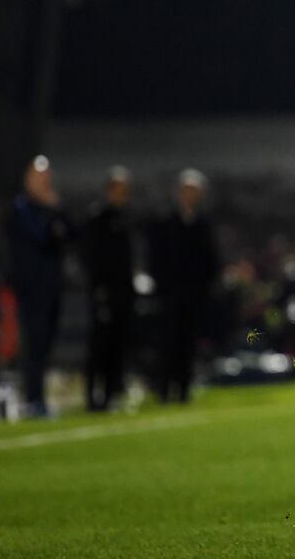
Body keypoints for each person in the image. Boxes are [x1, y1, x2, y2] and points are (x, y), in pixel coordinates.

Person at [3, 155, 74, 417]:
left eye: (47, 178)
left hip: (52, 286)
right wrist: (52, 214)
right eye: (39, 178)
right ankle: (33, 399)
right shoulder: (20, 209)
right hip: (30, 288)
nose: (45, 183)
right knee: (34, 344)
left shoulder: (52, 207)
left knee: (46, 344)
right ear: (28, 180)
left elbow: (72, 234)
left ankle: (38, 398)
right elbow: (42, 238)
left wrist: (58, 210)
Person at [148, 168, 218, 403]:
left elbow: (210, 259)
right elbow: (155, 258)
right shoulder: (165, 221)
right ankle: (165, 389)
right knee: (168, 342)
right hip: (170, 293)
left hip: (194, 294)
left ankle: (183, 389)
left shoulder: (202, 223)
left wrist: (205, 287)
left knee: (188, 343)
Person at [82, 166, 135, 411]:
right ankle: (94, 396)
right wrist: (99, 289)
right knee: (99, 346)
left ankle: (112, 394)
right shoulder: (97, 219)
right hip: (104, 293)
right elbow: (91, 259)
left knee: (117, 345)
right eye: (118, 189)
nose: (123, 194)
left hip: (123, 293)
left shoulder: (125, 218)